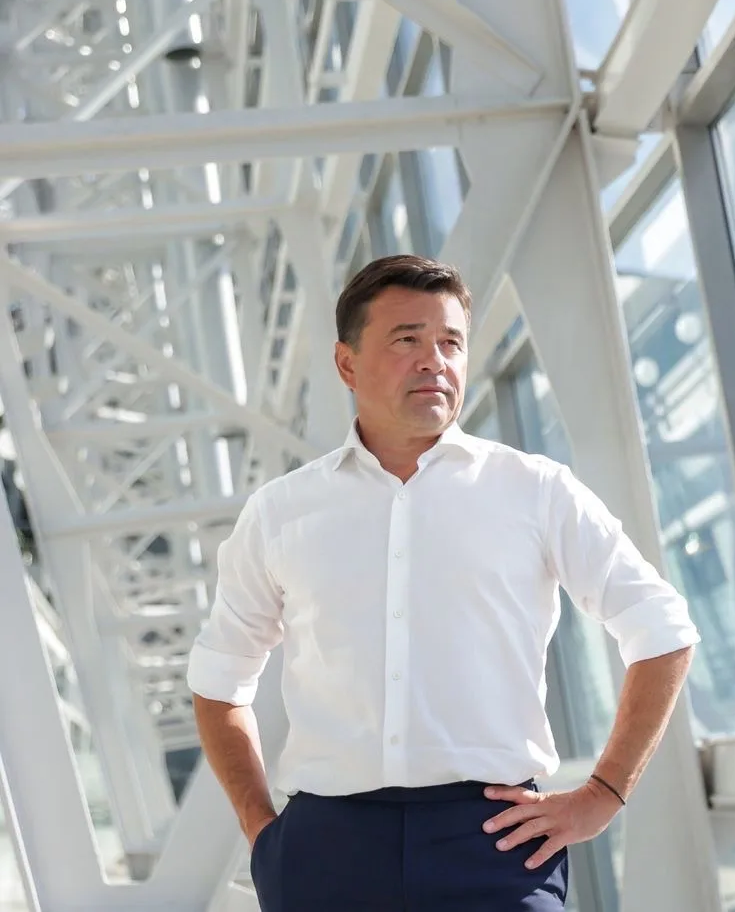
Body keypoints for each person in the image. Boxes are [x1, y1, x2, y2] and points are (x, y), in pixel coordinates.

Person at [186, 254, 700, 911]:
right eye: (407, 340)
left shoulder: (536, 491)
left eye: (450, 342)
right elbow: (219, 678)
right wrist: (262, 830)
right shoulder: (281, 512)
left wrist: (605, 792)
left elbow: (662, 629)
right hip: (326, 849)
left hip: (497, 842)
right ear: (347, 364)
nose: (434, 361)